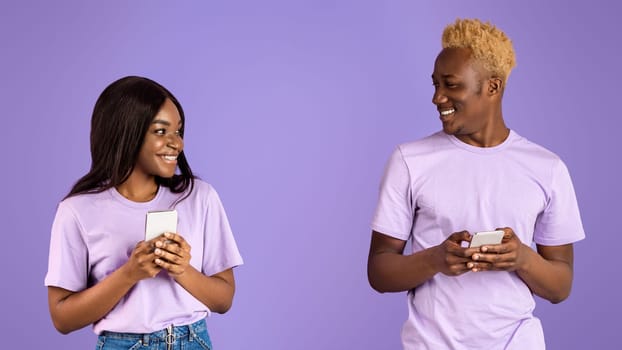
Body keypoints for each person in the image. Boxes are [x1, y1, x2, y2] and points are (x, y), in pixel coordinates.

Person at [367, 18, 584, 349]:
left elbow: (560, 287)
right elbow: (379, 272)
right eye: (435, 84)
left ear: (492, 87)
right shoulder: (409, 161)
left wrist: (522, 258)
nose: (437, 98)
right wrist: (436, 259)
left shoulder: (547, 168)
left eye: (451, 85)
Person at [45, 76, 243, 349]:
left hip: (193, 341)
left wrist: (182, 270)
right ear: (126, 133)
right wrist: (129, 274)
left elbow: (224, 300)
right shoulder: (76, 211)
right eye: (161, 132)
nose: (177, 143)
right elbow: (62, 318)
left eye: (179, 131)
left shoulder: (200, 197)